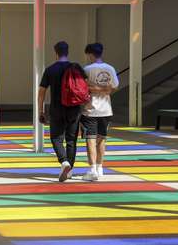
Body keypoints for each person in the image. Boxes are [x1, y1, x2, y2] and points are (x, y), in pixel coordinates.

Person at [38, 41, 84, 182]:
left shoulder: (50, 70)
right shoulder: (76, 68)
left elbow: (42, 92)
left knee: (56, 138)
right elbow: (85, 89)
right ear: (67, 52)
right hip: (75, 109)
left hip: (56, 109)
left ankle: (64, 162)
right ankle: (69, 169)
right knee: (71, 140)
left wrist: (41, 110)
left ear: (56, 53)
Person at [81, 43, 119, 181]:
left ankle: (92, 170)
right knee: (102, 139)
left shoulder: (87, 69)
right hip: (106, 109)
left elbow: (83, 87)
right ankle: (100, 167)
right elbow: (114, 87)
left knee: (90, 139)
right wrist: (104, 89)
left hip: (90, 109)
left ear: (90, 54)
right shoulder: (110, 68)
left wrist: (94, 88)